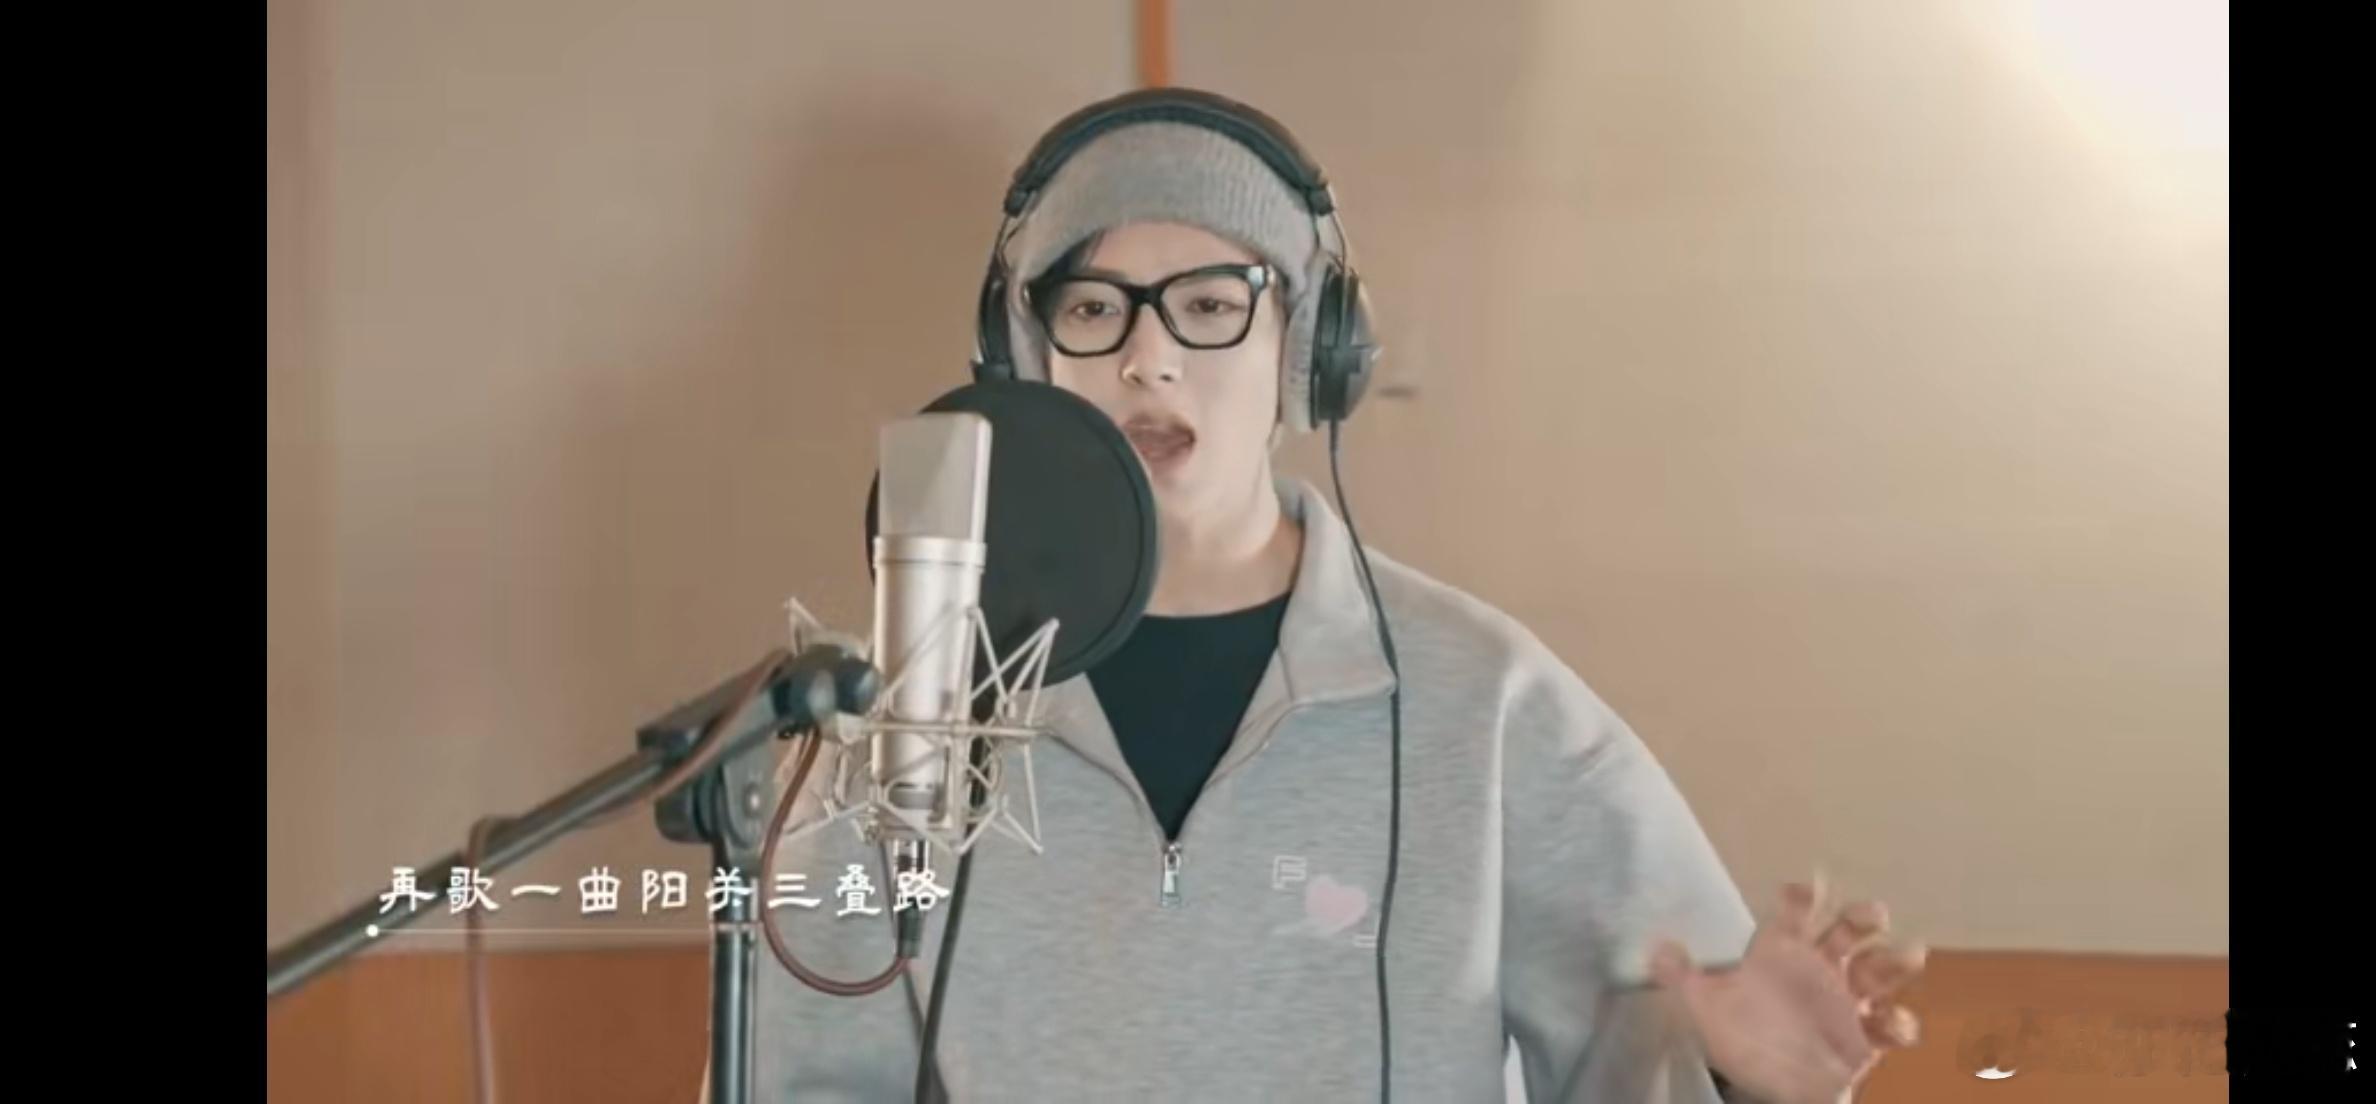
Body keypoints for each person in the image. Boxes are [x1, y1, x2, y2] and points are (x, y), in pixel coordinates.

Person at [744, 88, 1928, 1103]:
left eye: (1210, 306)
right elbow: (794, 1073)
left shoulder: (1484, 702)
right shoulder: (904, 706)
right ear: (1027, 355)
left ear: (1307, 355)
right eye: (1093, 309)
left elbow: (1647, 1053)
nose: (1147, 359)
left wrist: (1738, 1079)